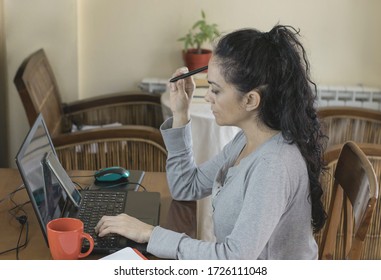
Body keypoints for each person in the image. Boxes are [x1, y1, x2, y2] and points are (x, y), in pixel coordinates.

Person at [95, 24, 327, 259]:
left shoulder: (272, 165)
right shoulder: (245, 141)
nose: (207, 96)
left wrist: (150, 234)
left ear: (250, 100)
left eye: (215, 90)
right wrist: (181, 113)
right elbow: (186, 186)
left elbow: (233, 260)